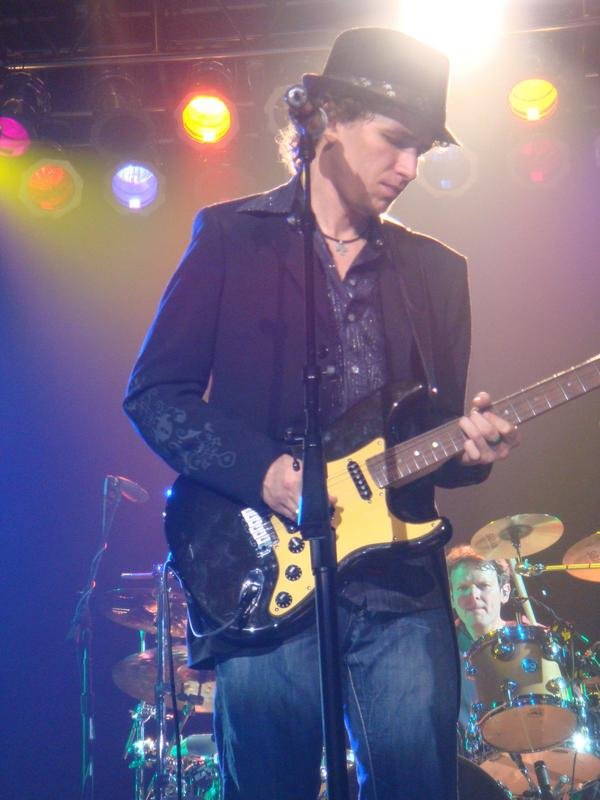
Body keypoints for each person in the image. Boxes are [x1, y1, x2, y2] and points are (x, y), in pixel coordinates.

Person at [124, 27, 520, 800]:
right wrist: (265, 471)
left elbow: (431, 434)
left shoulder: (437, 274)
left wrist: (469, 451)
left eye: (422, 151)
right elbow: (154, 395)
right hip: (261, 571)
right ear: (330, 117)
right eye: (396, 141)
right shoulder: (232, 238)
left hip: (399, 584)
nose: (410, 168)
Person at [446, 545, 513, 743]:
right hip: (468, 758)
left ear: (505, 592)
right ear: (452, 598)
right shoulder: (439, 648)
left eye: (483, 585)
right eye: (463, 588)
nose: (473, 595)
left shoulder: (532, 640)